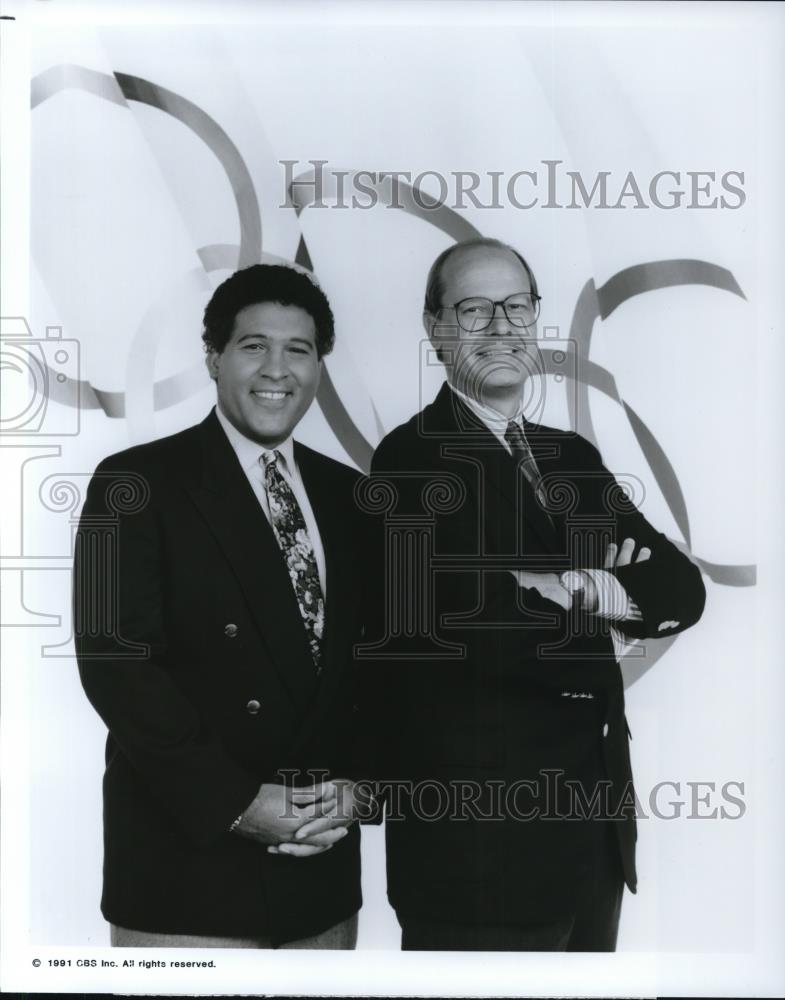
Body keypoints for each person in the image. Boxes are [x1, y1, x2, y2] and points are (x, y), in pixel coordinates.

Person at [365, 237, 706, 951]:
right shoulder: (409, 458)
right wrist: (612, 596)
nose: (500, 327)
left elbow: (679, 589)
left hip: (590, 833)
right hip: (478, 848)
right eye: (473, 308)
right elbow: (468, 625)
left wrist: (577, 585)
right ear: (434, 329)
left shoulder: (568, 457)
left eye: (515, 307)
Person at [74, 264, 368, 949]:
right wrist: (236, 805)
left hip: (319, 871)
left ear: (319, 366)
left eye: (298, 349)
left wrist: (360, 789)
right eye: (252, 345)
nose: (277, 369)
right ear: (213, 359)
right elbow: (117, 664)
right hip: (187, 871)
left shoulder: (353, 498)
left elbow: (376, 669)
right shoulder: (135, 484)